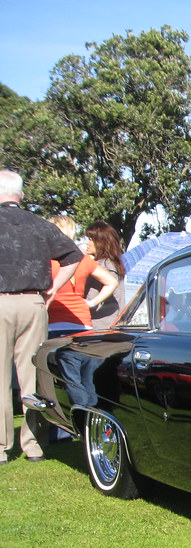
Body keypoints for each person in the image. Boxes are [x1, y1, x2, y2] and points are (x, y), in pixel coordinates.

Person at [0, 170, 82, 465]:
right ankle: (33, 444)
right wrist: (53, 289)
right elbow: (74, 256)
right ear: (21, 195)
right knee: (32, 374)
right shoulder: (39, 224)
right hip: (35, 302)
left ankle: (1, 446)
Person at [82, 221, 126, 329]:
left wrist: (90, 303)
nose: (87, 243)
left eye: (90, 239)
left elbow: (112, 284)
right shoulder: (111, 263)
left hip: (102, 325)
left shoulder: (105, 264)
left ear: (101, 242)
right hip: (107, 323)